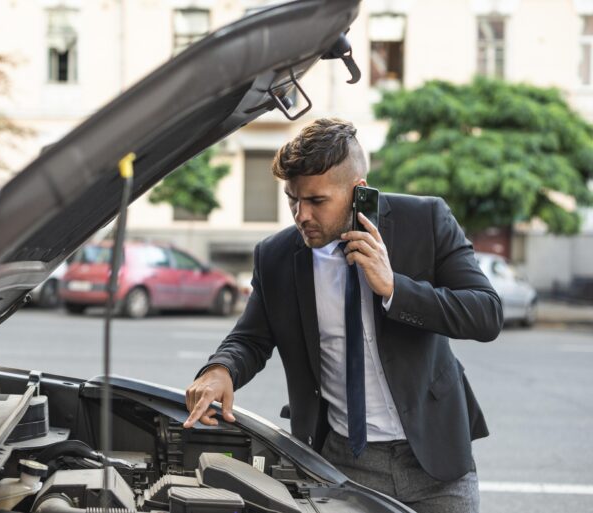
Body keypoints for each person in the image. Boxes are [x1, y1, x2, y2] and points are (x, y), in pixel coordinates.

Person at [183, 118, 502, 512]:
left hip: (436, 460)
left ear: (359, 191)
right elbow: (250, 338)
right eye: (292, 199)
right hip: (341, 464)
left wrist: (394, 288)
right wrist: (220, 370)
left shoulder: (426, 221)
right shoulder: (277, 256)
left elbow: (486, 313)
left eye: (316, 201)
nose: (301, 215)